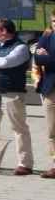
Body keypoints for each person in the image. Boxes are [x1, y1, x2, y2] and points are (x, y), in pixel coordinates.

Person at [0, 19, 33, 175]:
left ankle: (25, 163)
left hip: (12, 93)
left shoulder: (21, 47)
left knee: (19, 128)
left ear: (3, 31)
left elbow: (5, 62)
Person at [33, 14, 55, 179]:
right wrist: (45, 57)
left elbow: (47, 59)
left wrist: (47, 57)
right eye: (54, 21)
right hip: (50, 89)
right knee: (52, 130)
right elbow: (37, 57)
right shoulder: (47, 36)